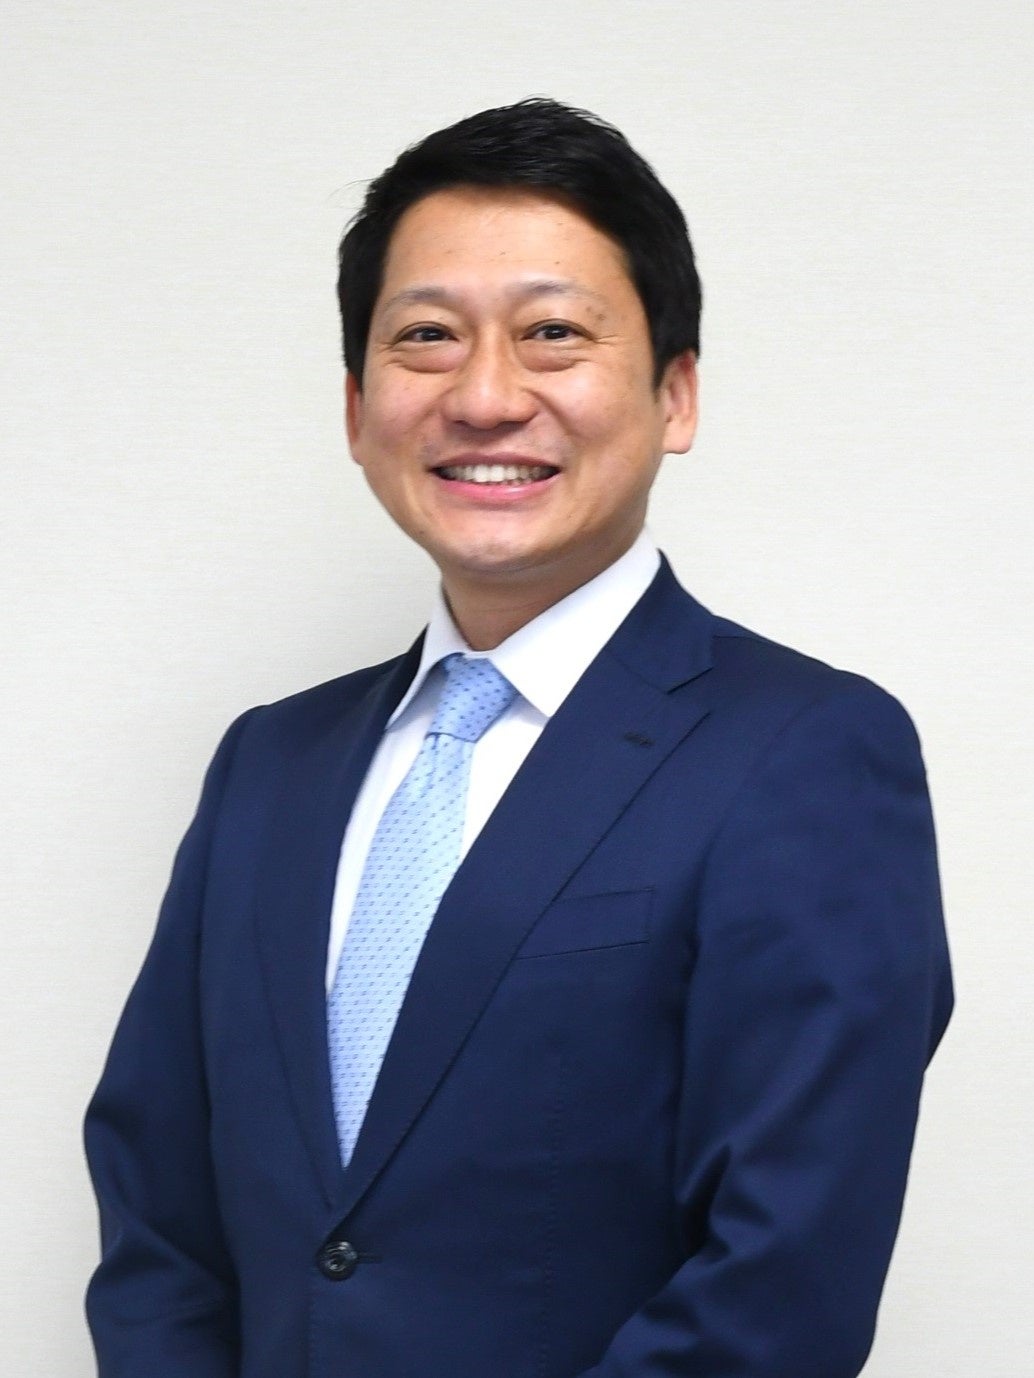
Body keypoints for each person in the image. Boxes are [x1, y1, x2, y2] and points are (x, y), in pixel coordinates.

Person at [84, 98, 953, 1378]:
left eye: (552, 333)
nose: (485, 396)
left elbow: (780, 1283)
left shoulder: (805, 753)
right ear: (356, 406)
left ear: (674, 393)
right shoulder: (269, 765)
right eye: (425, 337)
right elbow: (157, 1216)